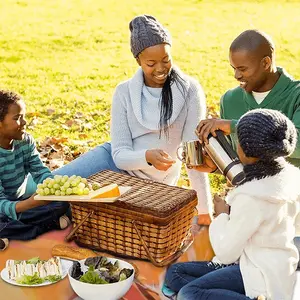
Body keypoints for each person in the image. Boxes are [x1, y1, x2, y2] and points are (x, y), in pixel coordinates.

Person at [50, 15, 212, 222]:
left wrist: (205, 212)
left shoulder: (190, 91)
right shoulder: (124, 92)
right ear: (138, 60)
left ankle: (59, 217)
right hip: (112, 163)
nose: (161, 69)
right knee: (48, 190)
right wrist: (146, 156)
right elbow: (119, 155)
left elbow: (193, 156)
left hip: (149, 186)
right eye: (151, 63)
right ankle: (11, 214)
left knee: (76, 210)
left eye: (166, 59)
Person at [163, 109, 300, 300]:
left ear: (247, 151)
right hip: (277, 266)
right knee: (175, 273)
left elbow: (226, 253)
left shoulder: (251, 197)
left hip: (257, 272)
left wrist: (222, 215)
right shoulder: (291, 178)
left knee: (189, 293)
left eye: (238, 142)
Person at [0, 90, 70, 240]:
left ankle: (18, 231)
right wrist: (30, 204)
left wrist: (52, 188)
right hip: (6, 208)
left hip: (20, 203)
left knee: (63, 204)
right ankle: (41, 228)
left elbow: (40, 171)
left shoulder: (25, 141)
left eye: (24, 117)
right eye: (17, 118)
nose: (25, 122)